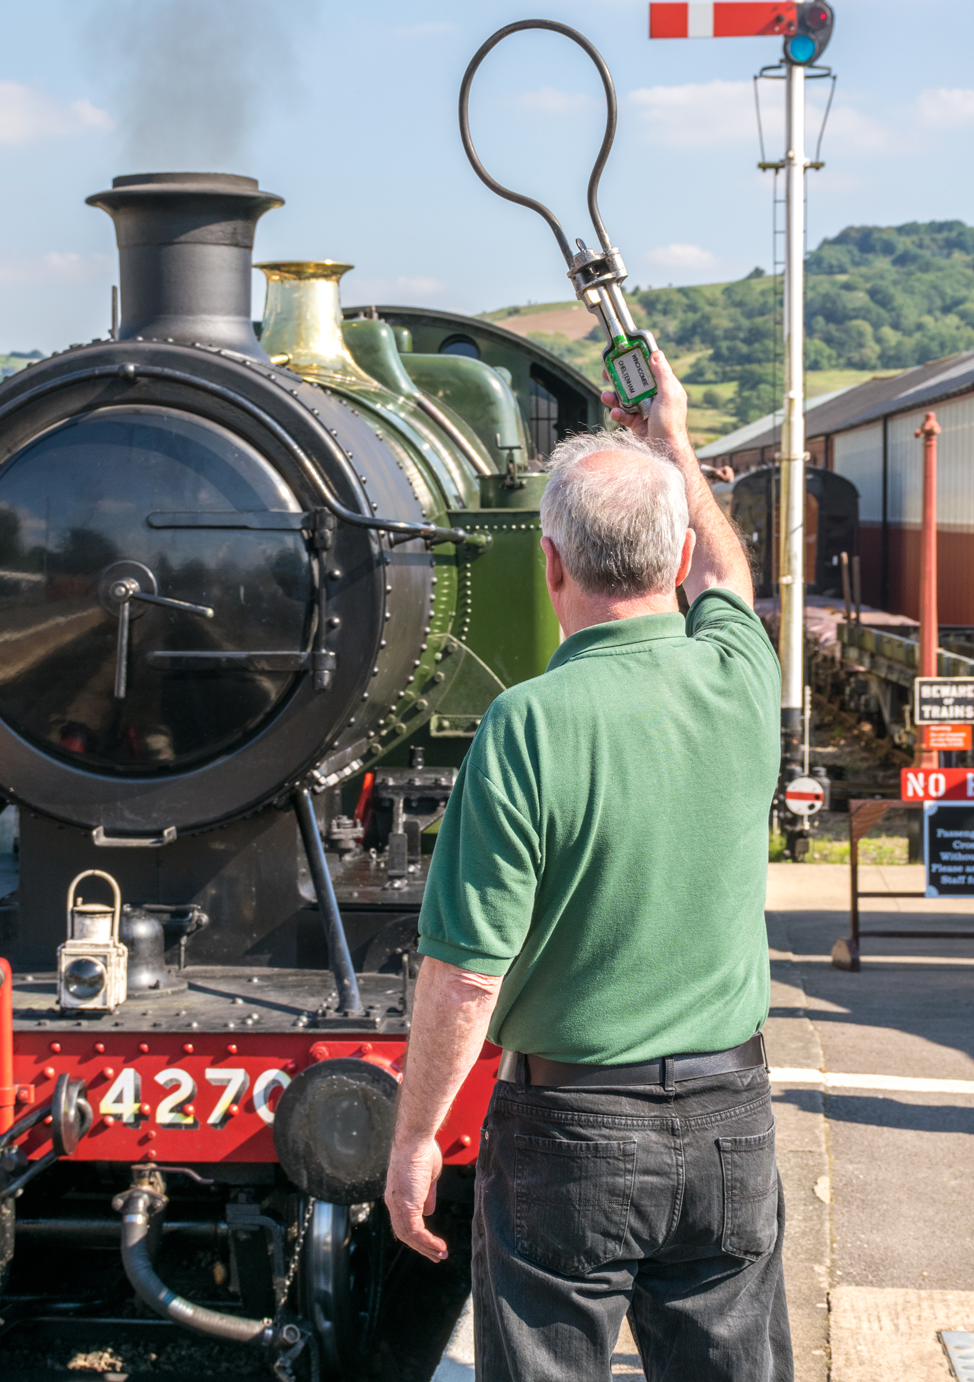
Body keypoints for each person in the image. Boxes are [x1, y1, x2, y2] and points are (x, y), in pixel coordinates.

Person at [384, 347, 790, 1382]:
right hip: (729, 1119)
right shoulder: (741, 677)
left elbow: (468, 972)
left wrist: (416, 1136)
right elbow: (727, 577)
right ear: (675, 552)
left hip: (571, 1131)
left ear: (550, 567)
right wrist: (673, 445)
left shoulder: (525, 724)